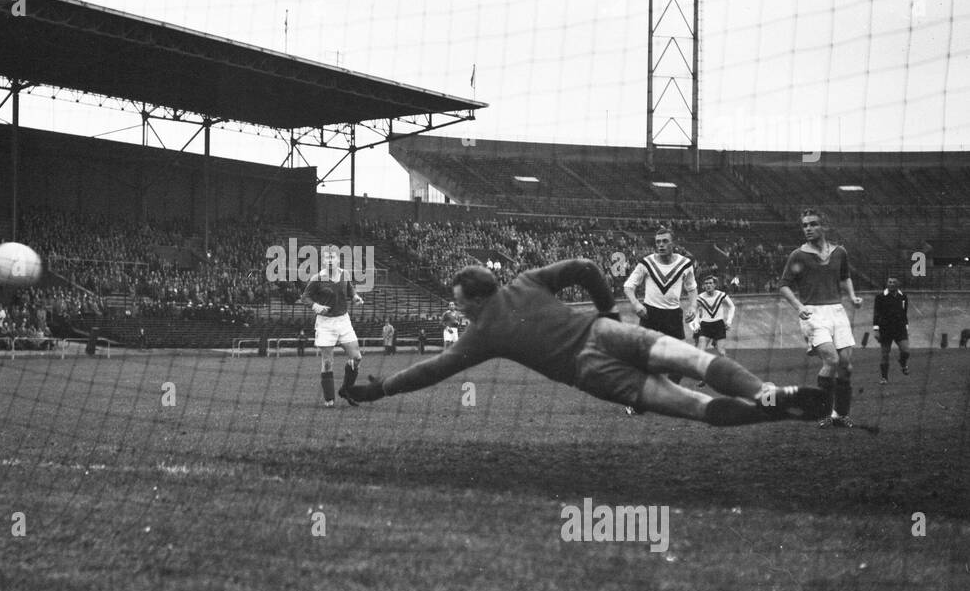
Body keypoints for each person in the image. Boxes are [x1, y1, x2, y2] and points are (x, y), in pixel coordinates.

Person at [341, 260, 826, 425]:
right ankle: (766, 393)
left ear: (473, 298)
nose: (459, 308)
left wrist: (378, 389)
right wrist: (607, 312)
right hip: (603, 331)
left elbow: (431, 371)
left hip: (590, 372)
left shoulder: (481, 332)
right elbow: (587, 269)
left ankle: (768, 411)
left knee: (696, 407)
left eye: (460, 302)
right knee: (697, 359)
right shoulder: (527, 280)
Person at [778, 208, 864, 429]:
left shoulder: (840, 252)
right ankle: (823, 412)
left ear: (824, 226)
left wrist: (852, 297)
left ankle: (840, 415)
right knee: (832, 360)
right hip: (813, 314)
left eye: (813, 224)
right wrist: (798, 307)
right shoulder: (798, 255)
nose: (808, 228)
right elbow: (783, 285)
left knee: (846, 365)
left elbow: (845, 277)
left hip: (837, 312)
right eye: (805, 225)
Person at [623, 228, 697, 389]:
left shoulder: (685, 264)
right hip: (650, 315)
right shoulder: (646, 263)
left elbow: (692, 288)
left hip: (673, 316)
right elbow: (628, 286)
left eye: (665, 241)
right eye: (658, 242)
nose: (661, 245)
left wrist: (693, 306)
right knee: (642, 359)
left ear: (673, 243)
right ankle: (635, 398)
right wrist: (636, 303)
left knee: (680, 362)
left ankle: (666, 392)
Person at [302, 248, 365, 407]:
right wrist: (316, 306)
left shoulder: (345, 274)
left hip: (343, 321)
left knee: (356, 358)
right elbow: (305, 297)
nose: (330, 259)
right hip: (325, 323)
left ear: (338, 259)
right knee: (328, 362)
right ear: (323, 261)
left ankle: (345, 389)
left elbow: (350, 289)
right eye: (327, 257)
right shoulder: (317, 278)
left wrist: (355, 297)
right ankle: (329, 399)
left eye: (333, 256)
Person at [872, 275, 911, 383]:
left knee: (906, 351)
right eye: (889, 282)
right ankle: (884, 378)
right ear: (886, 283)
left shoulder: (903, 297)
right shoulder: (880, 297)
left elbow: (904, 313)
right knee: (885, 354)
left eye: (894, 282)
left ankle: (903, 363)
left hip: (900, 329)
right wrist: (876, 329)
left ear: (898, 284)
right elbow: (876, 313)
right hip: (885, 329)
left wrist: (906, 327)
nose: (891, 284)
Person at [690, 275, 735, 367]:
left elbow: (732, 306)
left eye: (710, 283)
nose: (708, 285)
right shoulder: (700, 298)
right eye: (706, 283)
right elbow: (694, 311)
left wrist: (729, 321)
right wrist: (696, 324)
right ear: (703, 286)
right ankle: (703, 378)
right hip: (705, 326)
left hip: (719, 325)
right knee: (700, 352)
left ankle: (727, 372)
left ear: (715, 285)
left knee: (721, 352)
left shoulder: (721, 295)